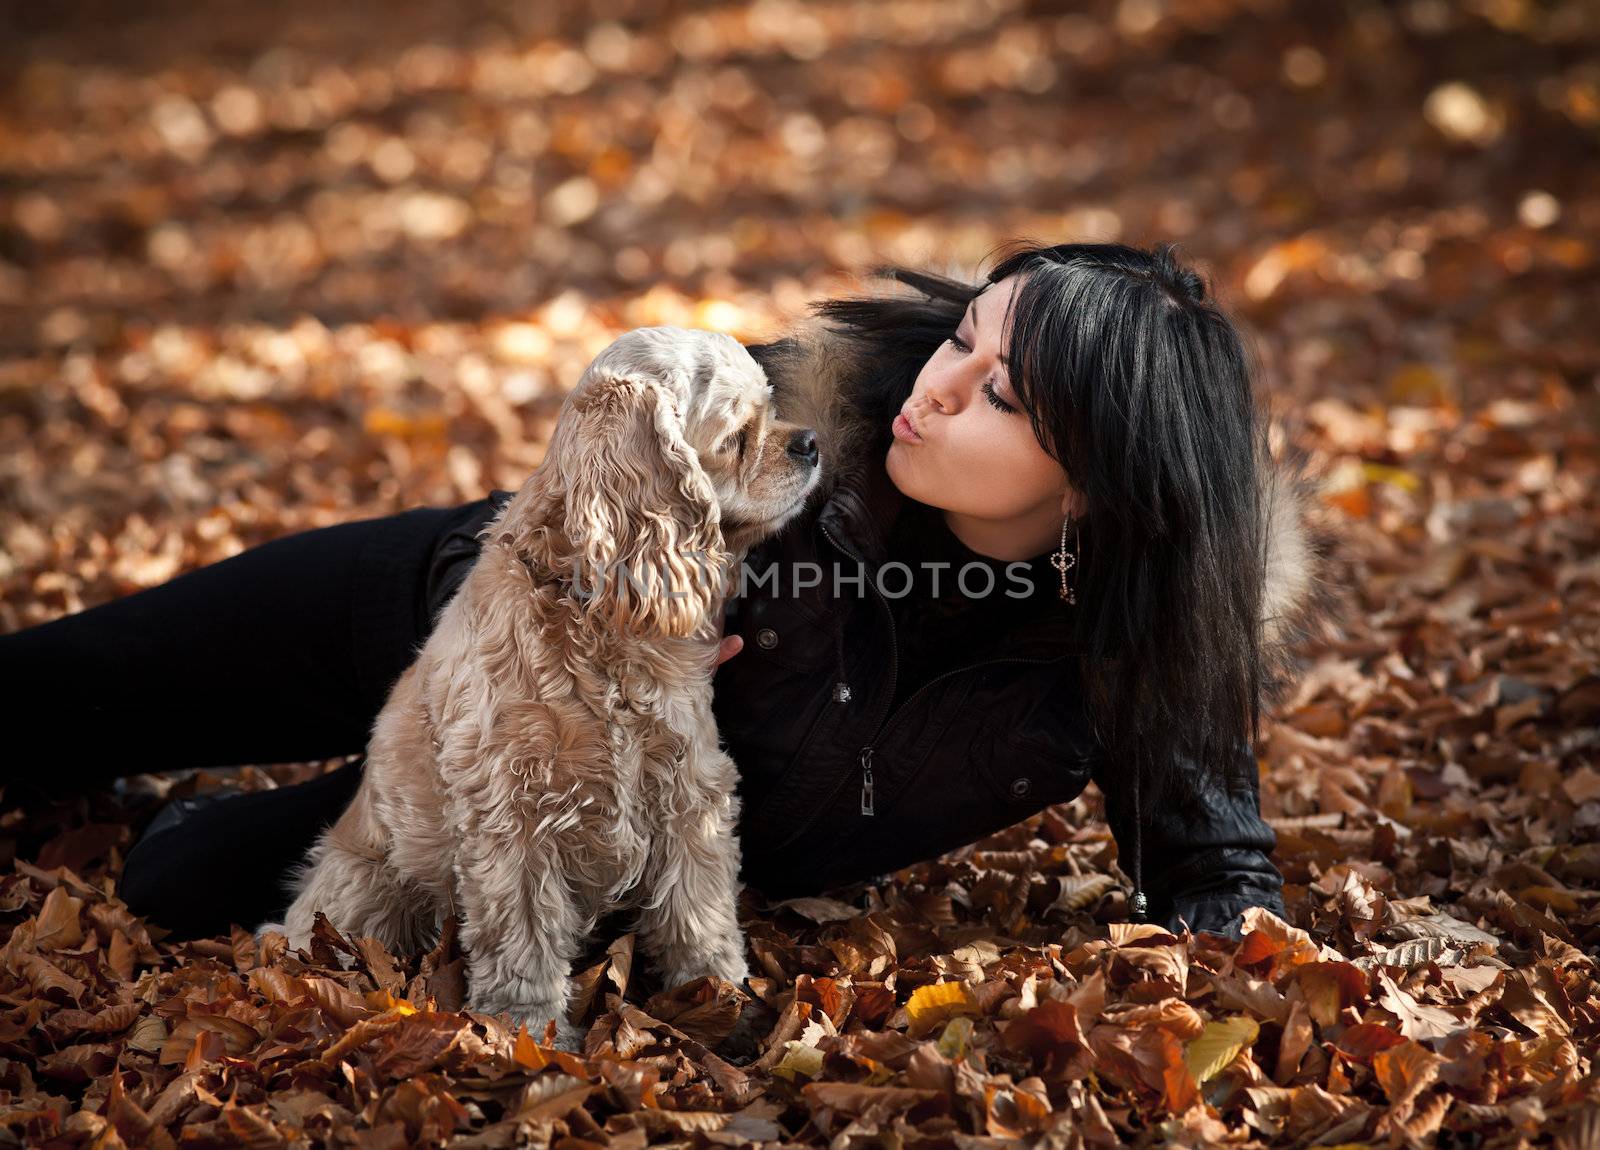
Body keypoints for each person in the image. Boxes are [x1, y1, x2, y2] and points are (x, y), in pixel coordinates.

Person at [0, 240, 1330, 942]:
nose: (938, 384)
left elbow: (1213, 866)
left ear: (1095, 482)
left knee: (178, 876)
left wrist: (1243, 962)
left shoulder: (1134, 647)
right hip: (427, 608)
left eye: (1000, 394)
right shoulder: (801, 413)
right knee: (46, 695)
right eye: (963, 335)